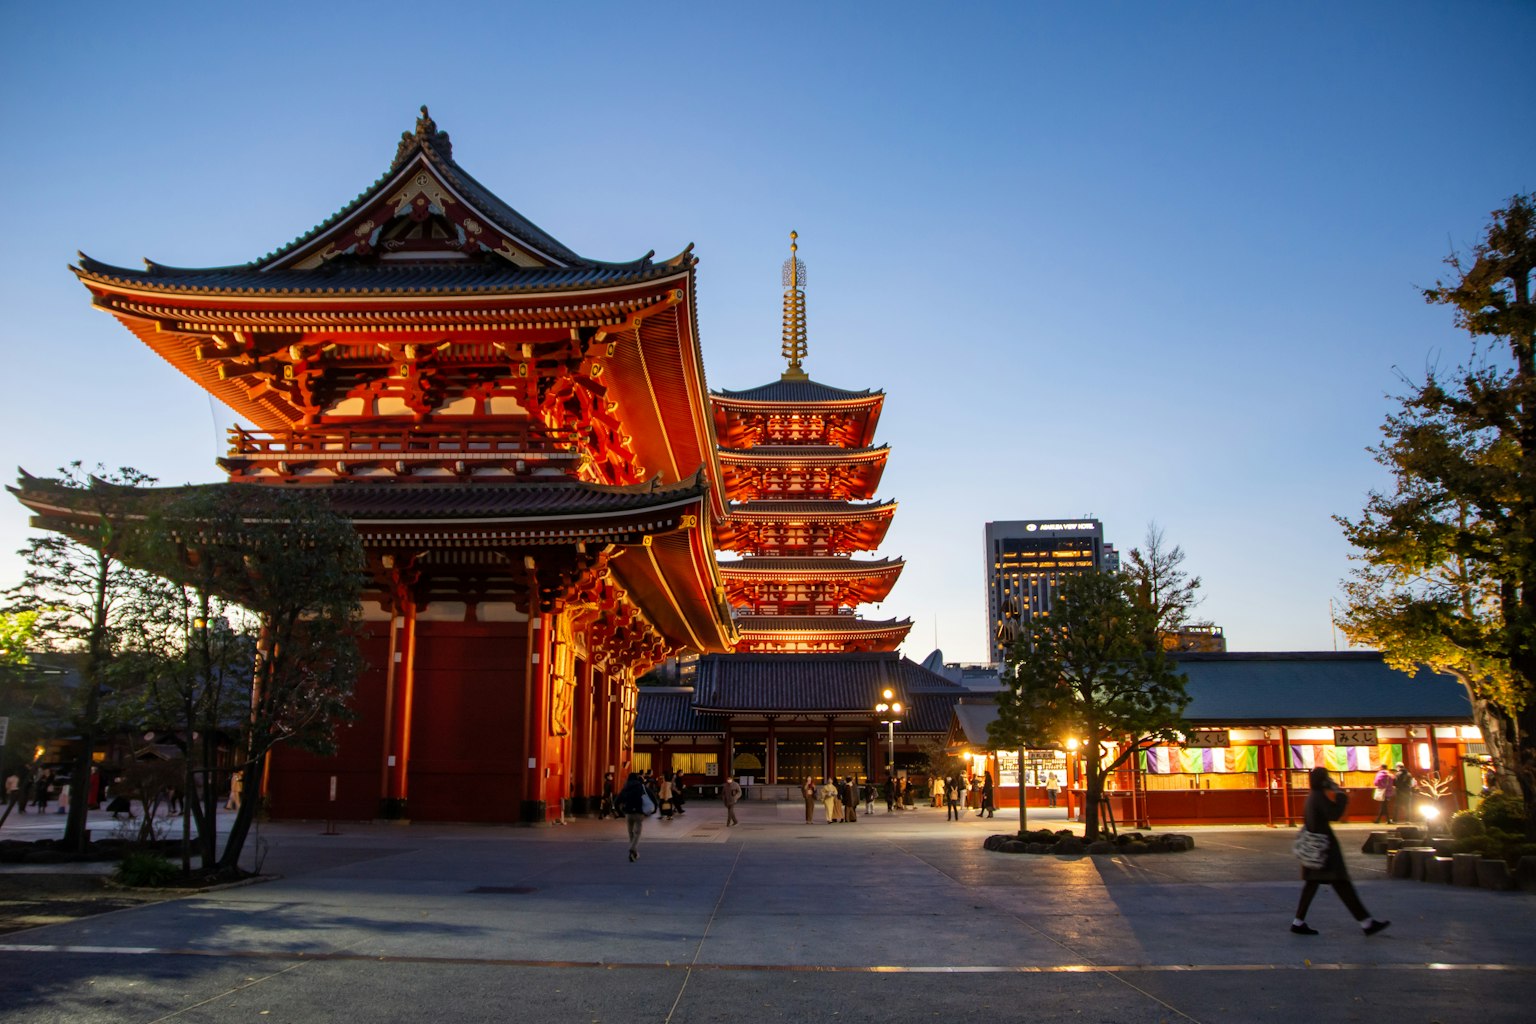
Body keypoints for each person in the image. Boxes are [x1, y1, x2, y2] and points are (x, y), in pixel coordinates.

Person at [1292, 766, 1390, 937]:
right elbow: (1334, 814)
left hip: (1314, 849)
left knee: (1312, 885)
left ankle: (1298, 922)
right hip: (1324, 850)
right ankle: (1366, 922)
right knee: (1341, 884)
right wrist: (1339, 794)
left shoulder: (1312, 797)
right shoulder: (1318, 798)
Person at [616, 772, 651, 862]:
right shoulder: (641, 787)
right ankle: (632, 848)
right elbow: (650, 796)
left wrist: (620, 812)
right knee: (637, 833)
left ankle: (633, 853)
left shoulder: (625, 788)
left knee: (630, 832)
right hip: (639, 813)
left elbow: (617, 801)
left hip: (628, 813)